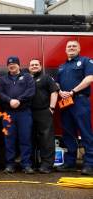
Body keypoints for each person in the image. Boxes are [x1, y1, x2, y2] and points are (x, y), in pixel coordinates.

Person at [56, 40, 93, 175]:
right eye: (69, 47)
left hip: (79, 101)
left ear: (79, 49)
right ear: (65, 50)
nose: (71, 48)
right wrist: (60, 92)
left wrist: (73, 91)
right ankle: (70, 163)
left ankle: (89, 164)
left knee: (85, 132)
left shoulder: (85, 61)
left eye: (74, 46)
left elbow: (89, 79)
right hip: (66, 102)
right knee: (68, 133)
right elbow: (57, 84)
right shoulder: (62, 67)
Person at [0, 56, 35, 174]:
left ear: (19, 65)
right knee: (9, 140)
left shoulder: (28, 77)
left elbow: (31, 91)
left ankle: (26, 165)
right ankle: (10, 165)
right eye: (9, 65)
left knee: (25, 139)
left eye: (14, 64)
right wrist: (9, 101)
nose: (11, 66)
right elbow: (0, 93)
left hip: (24, 112)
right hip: (8, 113)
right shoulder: (3, 79)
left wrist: (19, 100)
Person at [28, 59, 59, 174]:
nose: (34, 66)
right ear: (29, 67)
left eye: (36, 64)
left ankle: (47, 165)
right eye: (32, 65)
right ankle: (33, 164)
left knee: (46, 139)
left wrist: (51, 108)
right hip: (29, 113)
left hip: (44, 111)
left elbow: (54, 92)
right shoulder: (28, 79)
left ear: (40, 66)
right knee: (31, 139)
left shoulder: (46, 78)